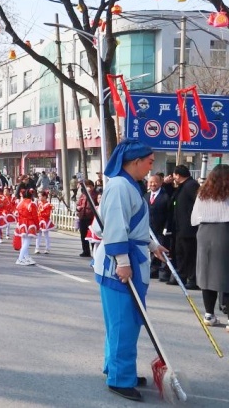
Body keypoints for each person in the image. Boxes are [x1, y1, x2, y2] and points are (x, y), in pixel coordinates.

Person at [93, 140, 166, 402]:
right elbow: (114, 227)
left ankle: (115, 367)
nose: (152, 166)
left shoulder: (129, 186)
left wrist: (153, 244)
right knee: (124, 323)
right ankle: (120, 378)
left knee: (122, 322)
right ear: (135, 162)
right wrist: (123, 261)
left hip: (127, 261)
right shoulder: (121, 186)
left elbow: (135, 225)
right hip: (119, 266)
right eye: (149, 161)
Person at [189, 164, 229, 332]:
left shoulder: (203, 194)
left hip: (204, 233)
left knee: (207, 274)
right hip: (225, 232)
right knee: (225, 274)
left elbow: (193, 218)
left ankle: (209, 314)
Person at [169, 165, 200, 289]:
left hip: (189, 228)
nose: (174, 178)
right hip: (179, 228)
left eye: (174, 175)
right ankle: (180, 276)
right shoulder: (181, 187)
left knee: (190, 254)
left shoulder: (191, 185)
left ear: (178, 174)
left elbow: (198, 202)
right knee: (180, 253)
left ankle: (193, 279)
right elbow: (172, 200)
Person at [145, 174, 170, 280]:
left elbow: (169, 214)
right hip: (149, 228)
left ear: (160, 183)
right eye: (150, 182)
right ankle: (153, 269)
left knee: (161, 248)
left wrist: (166, 227)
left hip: (161, 228)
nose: (152, 184)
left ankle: (164, 271)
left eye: (155, 182)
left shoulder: (166, 196)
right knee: (152, 249)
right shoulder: (146, 196)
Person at [14, 188, 39, 266]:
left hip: (21, 223)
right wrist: (37, 227)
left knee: (24, 241)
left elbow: (16, 214)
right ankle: (20, 259)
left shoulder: (20, 203)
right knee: (27, 242)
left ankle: (26, 257)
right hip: (29, 223)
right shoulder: (31, 204)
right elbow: (35, 216)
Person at [76, 180, 97, 258]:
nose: (88, 188)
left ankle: (94, 250)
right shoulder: (83, 195)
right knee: (83, 234)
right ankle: (85, 251)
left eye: (89, 186)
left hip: (91, 217)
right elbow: (78, 204)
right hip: (82, 216)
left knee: (92, 234)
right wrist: (78, 208)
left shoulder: (95, 195)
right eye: (86, 186)